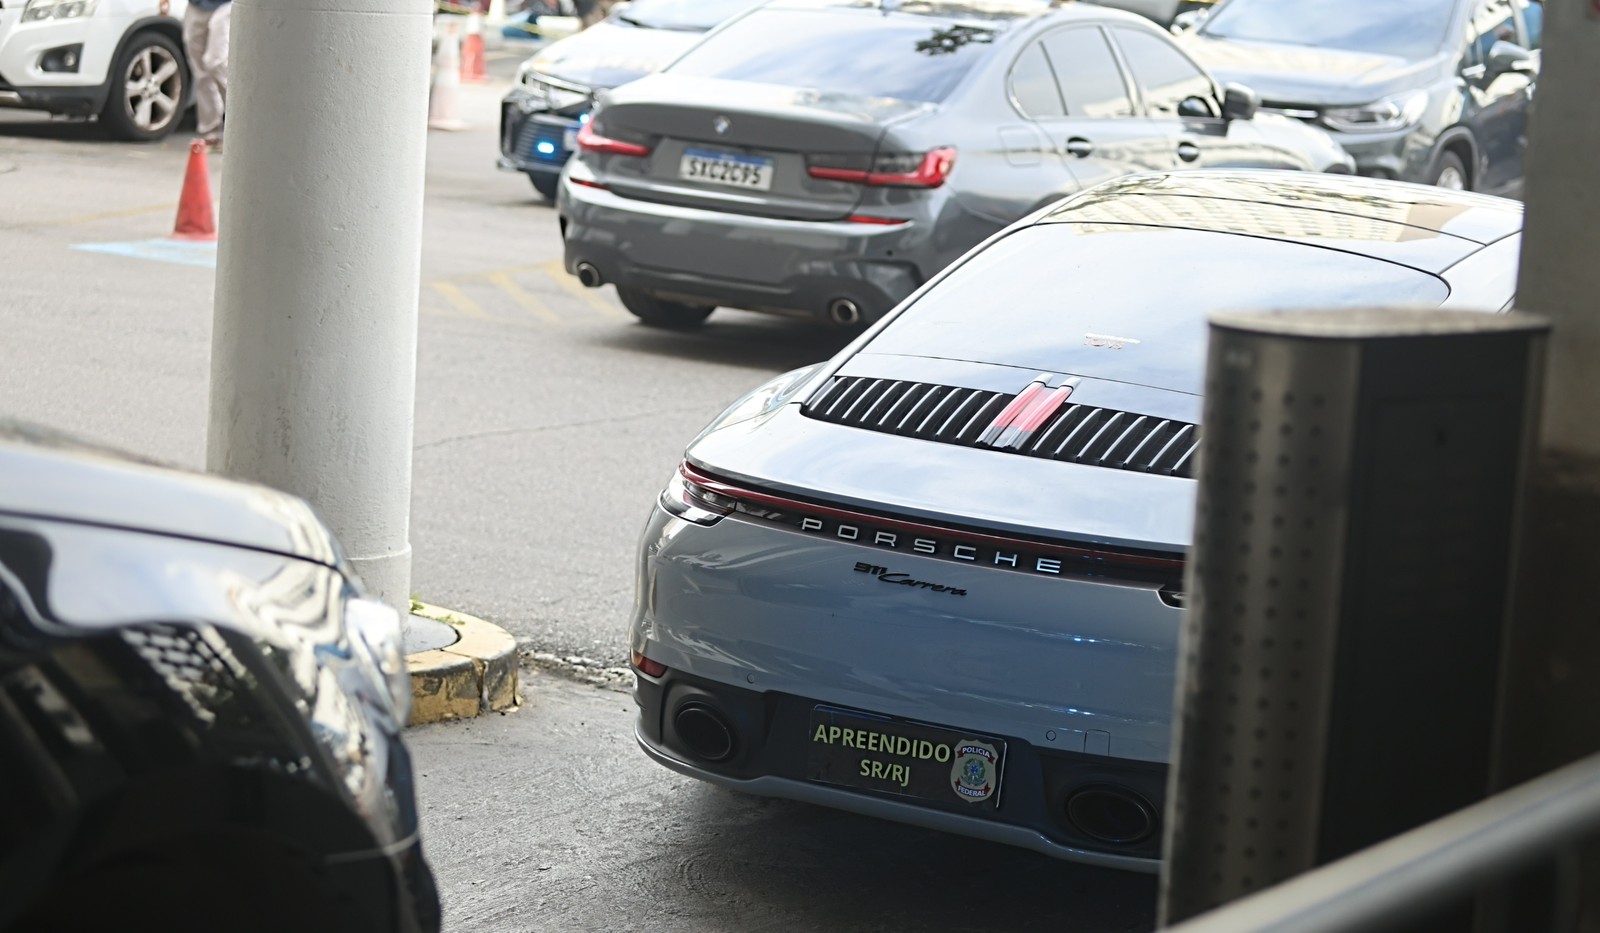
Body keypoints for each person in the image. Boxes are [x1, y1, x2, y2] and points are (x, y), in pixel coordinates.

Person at [184, 0, 232, 150]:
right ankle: (211, 133)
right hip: (197, 5)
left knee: (215, 61)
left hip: (227, 4)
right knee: (200, 69)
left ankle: (241, 118)